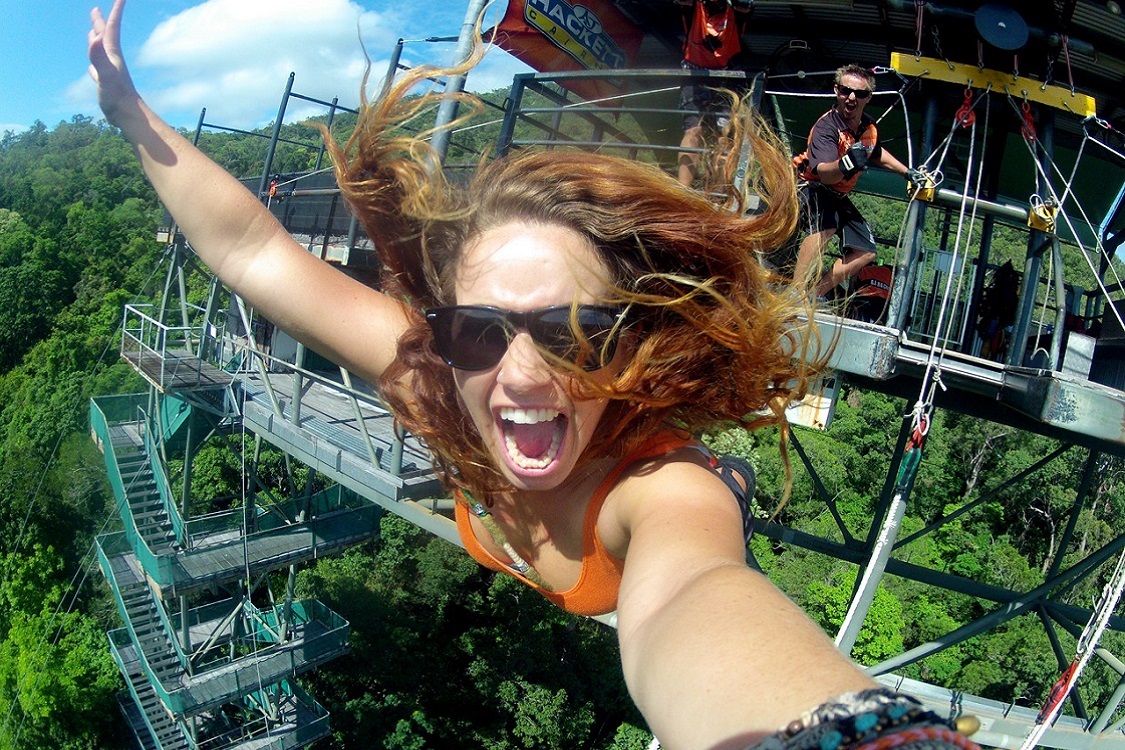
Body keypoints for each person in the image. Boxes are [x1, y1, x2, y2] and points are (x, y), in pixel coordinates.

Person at [88, 3, 978, 749]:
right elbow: (252, 251)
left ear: (624, 337)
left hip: (645, 450)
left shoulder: (665, 497)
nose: (518, 373)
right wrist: (131, 112)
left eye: (571, 332)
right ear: (445, 333)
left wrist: (868, 734)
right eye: (481, 332)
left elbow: (695, 602)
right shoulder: (431, 374)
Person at [791, 65, 916, 300]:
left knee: (865, 251)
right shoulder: (826, 127)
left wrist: (907, 172)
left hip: (837, 195)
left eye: (859, 93)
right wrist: (846, 164)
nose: (851, 98)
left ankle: (813, 296)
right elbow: (825, 174)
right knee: (826, 224)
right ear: (837, 90)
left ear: (868, 97)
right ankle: (794, 294)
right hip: (808, 186)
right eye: (846, 91)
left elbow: (876, 152)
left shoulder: (868, 128)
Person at [676, 0, 749, 187]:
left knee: (724, 136)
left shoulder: (735, 8)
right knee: (693, 130)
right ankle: (683, 190)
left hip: (727, 75)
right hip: (694, 73)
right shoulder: (694, 6)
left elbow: (747, 7)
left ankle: (718, 192)